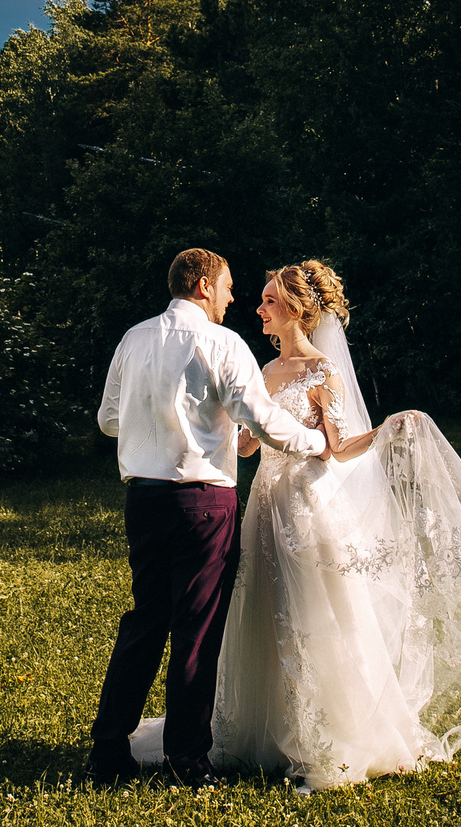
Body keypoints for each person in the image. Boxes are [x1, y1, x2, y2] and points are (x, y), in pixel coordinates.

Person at [129, 260, 461, 792]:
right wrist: (201, 433)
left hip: (306, 503)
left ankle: (323, 740)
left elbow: (336, 447)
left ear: (297, 311)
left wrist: (385, 430)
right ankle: (257, 730)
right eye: (257, 299)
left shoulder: (321, 370)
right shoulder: (263, 369)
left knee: (313, 611)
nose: (257, 309)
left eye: (268, 302)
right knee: (261, 608)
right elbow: (249, 440)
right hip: (264, 502)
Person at [89, 248, 328, 789]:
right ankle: (188, 762)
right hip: (203, 504)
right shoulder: (223, 343)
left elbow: (107, 420)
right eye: (227, 286)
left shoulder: (133, 339)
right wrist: (316, 441)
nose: (233, 296)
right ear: (202, 285)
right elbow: (263, 421)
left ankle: (107, 754)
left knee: (145, 621)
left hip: (144, 499)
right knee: (195, 631)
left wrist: (152, 421)